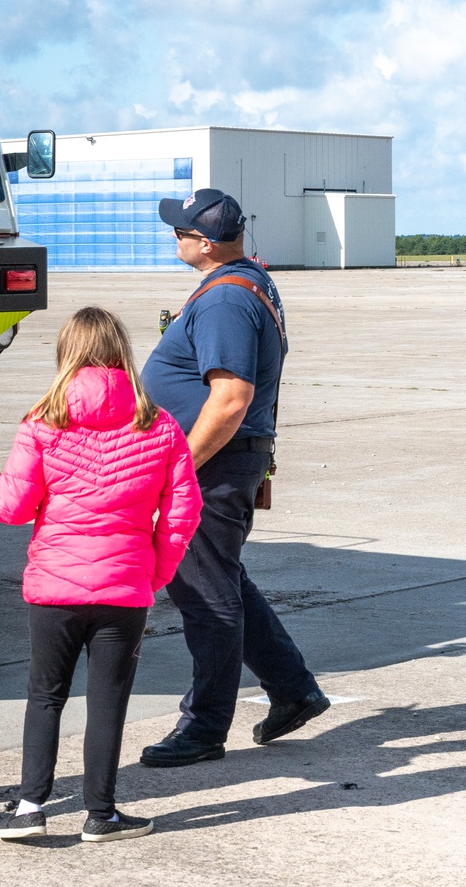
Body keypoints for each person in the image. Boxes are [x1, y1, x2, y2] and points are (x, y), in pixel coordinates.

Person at [0, 306, 201, 843]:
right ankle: (102, 814)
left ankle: (30, 807)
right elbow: (183, 512)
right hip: (125, 590)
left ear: (67, 353)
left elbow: (13, 505)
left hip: (55, 588)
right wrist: (152, 575)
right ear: (122, 351)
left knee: (45, 695)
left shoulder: (43, 420)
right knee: (109, 701)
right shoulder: (158, 424)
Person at [138, 188, 329, 768]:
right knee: (224, 582)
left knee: (204, 594)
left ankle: (204, 727)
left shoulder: (225, 300)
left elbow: (229, 400)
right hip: (227, 459)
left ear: (203, 242)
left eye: (180, 231)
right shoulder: (249, 279)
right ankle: (294, 689)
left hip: (213, 463)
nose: (173, 237)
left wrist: (178, 468)